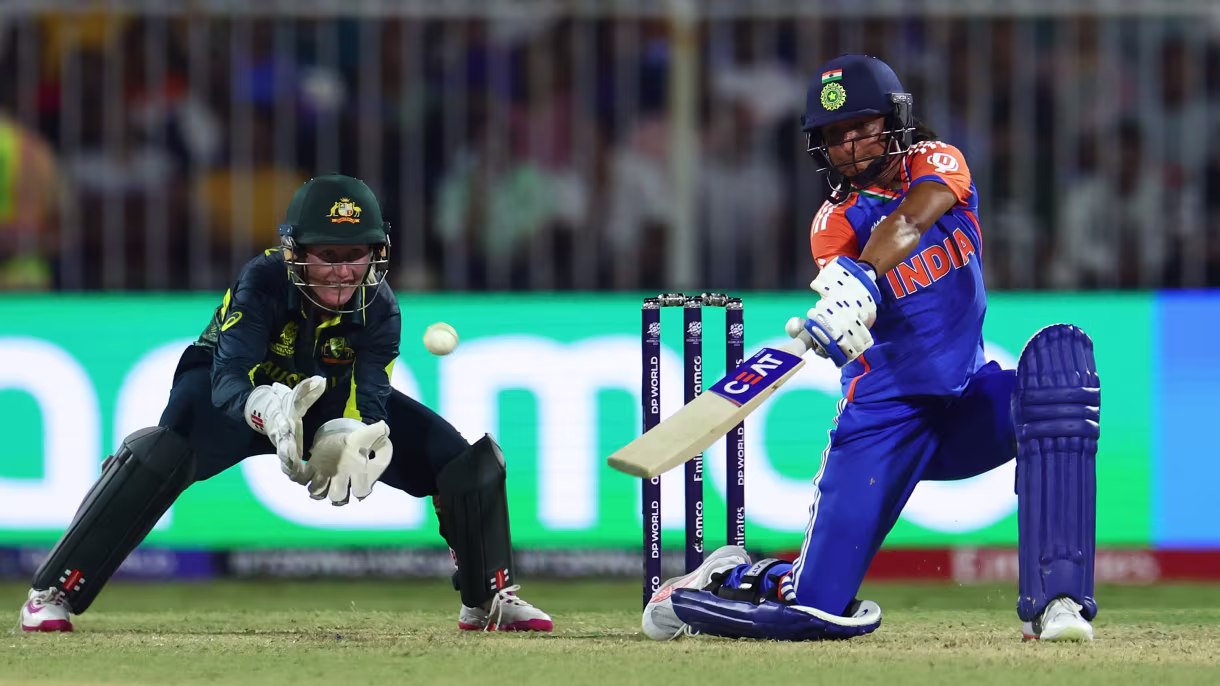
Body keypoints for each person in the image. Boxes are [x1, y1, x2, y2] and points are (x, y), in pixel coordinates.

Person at [641, 55, 1100, 642]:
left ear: (895, 119)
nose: (851, 145)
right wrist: (840, 316)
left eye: (862, 126)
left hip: (967, 402)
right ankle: (728, 576)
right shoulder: (832, 222)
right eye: (835, 135)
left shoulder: (938, 162)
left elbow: (913, 217)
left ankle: (1057, 601)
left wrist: (862, 276)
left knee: (1056, 384)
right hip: (882, 422)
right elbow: (847, 302)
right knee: (814, 607)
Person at [19, 174, 553, 633]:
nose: (343, 271)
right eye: (328, 256)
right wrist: (265, 410)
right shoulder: (263, 281)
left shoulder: (381, 309)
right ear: (296, 253)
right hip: (232, 395)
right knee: (158, 455)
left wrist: (352, 437)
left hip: (324, 397)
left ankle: (488, 599)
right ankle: (52, 593)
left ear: (376, 253)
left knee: (464, 463)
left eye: (356, 255)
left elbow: (370, 399)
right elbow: (228, 376)